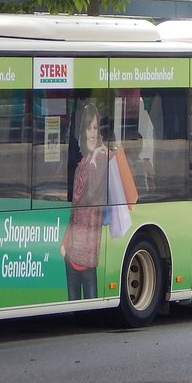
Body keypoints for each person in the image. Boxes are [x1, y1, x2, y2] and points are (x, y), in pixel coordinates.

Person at [61, 102, 109, 301]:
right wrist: (64, 244)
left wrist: (96, 159)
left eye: (96, 128)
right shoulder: (83, 164)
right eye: (89, 128)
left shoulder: (100, 163)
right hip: (71, 254)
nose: (92, 133)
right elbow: (75, 210)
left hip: (88, 256)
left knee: (91, 306)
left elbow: (88, 196)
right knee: (73, 307)